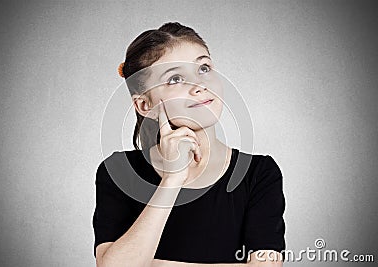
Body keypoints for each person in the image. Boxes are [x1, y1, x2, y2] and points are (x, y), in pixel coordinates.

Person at [93, 22, 285, 266]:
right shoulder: (119, 171)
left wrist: (154, 264)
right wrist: (172, 180)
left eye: (203, 68)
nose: (200, 85)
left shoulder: (258, 173)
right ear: (145, 105)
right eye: (175, 78)